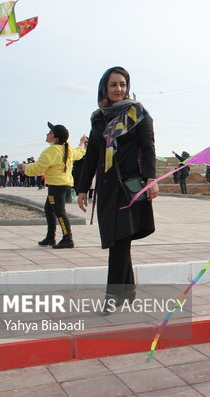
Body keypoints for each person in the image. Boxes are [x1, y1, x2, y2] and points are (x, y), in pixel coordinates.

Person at [77, 66, 158, 311]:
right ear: (105, 87)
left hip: (129, 186)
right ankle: (129, 289)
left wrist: (151, 180)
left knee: (120, 239)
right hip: (106, 187)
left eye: (122, 84)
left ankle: (112, 297)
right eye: (113, 84)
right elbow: (92, 155)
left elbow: (148, 147)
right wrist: (82, 188)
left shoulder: (139, 113)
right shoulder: (98, 118)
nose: (119, 89)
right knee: (117, 239)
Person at [23, 123, 86, 249]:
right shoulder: (67, 149)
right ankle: (50, 237)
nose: (47, 134)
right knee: (49, 209)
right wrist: (82, 142)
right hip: (65, 184)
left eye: (50, 133)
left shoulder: (51, 151)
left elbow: (37, 168)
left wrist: (25, 168)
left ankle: (68, 239)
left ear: (56, 139)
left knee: (59, 212)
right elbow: (79, 152)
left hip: (56, 186)